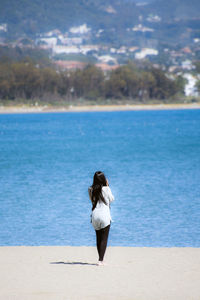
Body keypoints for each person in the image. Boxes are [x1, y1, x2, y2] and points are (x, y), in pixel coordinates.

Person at [88, 171, 114, 266]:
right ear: (104, 179)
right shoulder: (106, 189)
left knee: (98, 238)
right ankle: (101, 260)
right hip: (104, 216)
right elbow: (111, 199)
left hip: (94, 215)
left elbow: (92, 201)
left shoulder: (90, 189)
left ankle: (100, 259)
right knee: (104, 238)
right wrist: (107, 186)